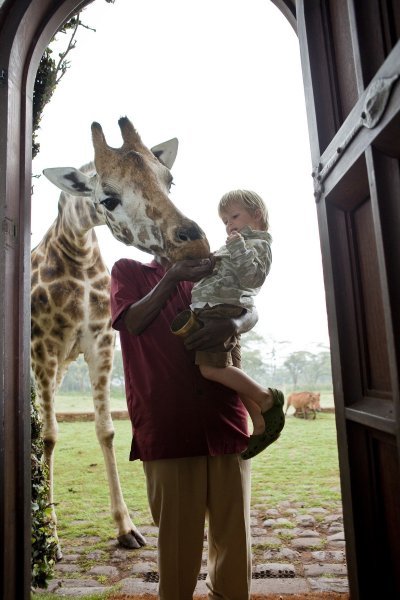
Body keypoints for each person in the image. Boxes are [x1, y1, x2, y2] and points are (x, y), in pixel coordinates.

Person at [110, 253, 257, 600]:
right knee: (177, 545)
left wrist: (235, 325)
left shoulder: (215, 269)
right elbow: (131, 321)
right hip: (167, 426)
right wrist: (172, 277)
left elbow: (250, 306)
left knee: (235, 539)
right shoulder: (128, 271)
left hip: (227, 421)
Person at [172, 190, 285, 460]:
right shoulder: (238, 243)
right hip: (215, 307)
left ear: (256, 214)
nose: (229, 224)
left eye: (234, 216)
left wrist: (236, 247)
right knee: (234, 371)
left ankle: (268, 398)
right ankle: (260, 426)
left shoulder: (257, 244)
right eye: (224, 220)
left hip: (220, 309)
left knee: (211, 369)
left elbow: (253, 278)